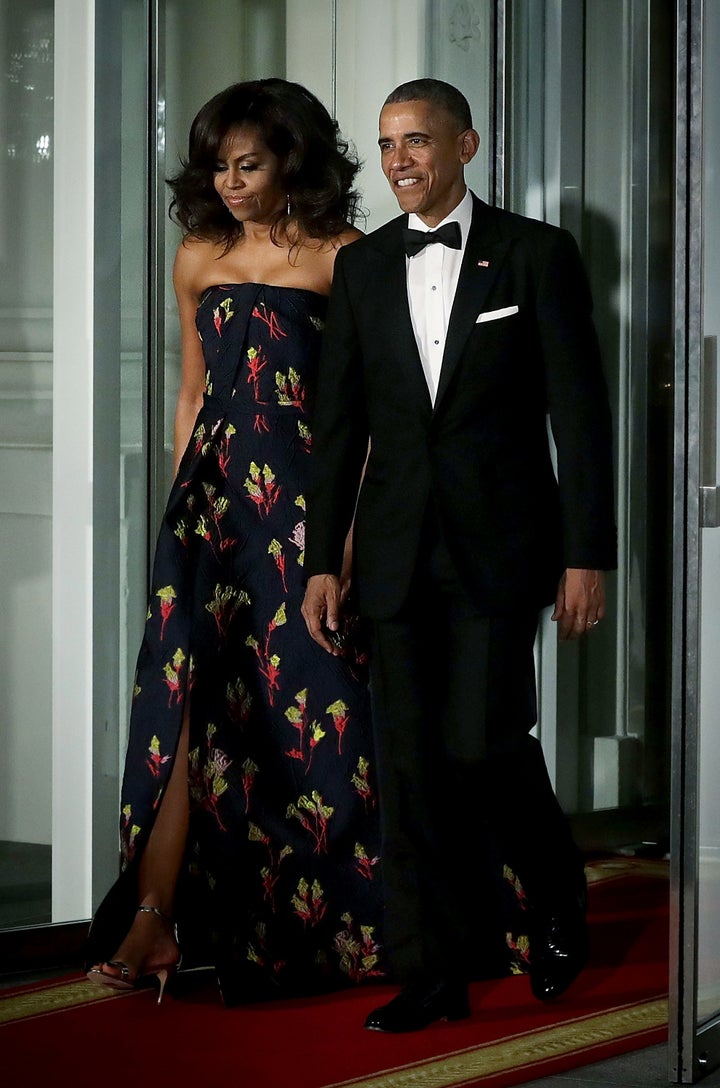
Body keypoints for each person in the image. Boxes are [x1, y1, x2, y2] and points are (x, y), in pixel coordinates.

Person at [302, 78, 617, 1033]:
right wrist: (324, 558)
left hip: (502, 549)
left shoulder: (536, 254)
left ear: (466, 145)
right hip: (394, 556)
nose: (400, 160)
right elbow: (338, 427)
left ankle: (559, 892)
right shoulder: (359, 271)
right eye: (388, 144)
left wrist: (587, 554)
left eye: (419, 141)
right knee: (408, 768)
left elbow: (582, 417)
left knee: (481, 743)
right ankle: (433, 970)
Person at [84, 78, 386, 1005]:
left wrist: (345, 542)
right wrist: (184, 510)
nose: (229, 183)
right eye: (217, 165)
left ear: (293, 159)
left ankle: (354, 918)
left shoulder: (349, 258)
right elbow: (191, 393)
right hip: (210, 511)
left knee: (319, 711)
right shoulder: (199, 256)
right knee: (183, 704)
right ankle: (155, 917)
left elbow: (371, 420)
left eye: (247, 164)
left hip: (308, 513)